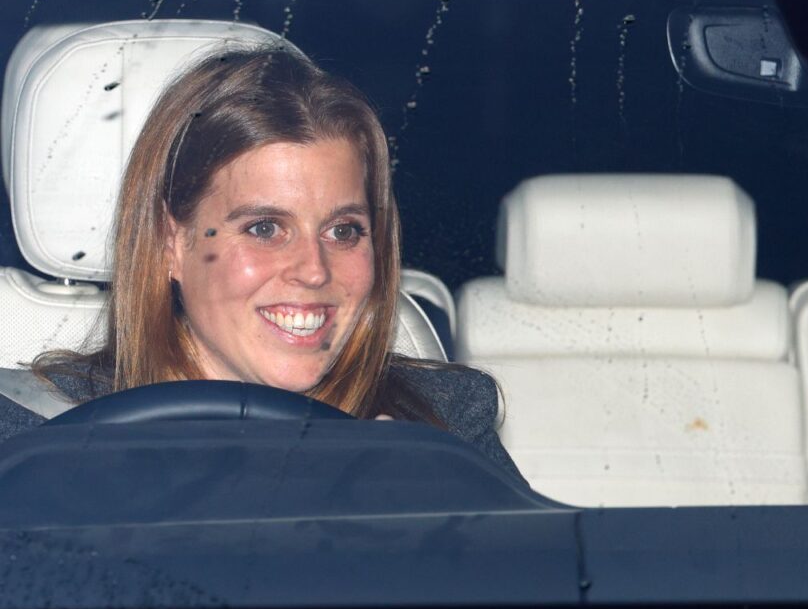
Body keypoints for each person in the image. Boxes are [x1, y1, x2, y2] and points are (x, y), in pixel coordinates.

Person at [0, 47, 522, 479]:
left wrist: (434, 527)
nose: (314, 270)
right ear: (169, 243)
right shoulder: (30, 438)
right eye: (264, 228)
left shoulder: (442, 426)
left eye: (343, 231)